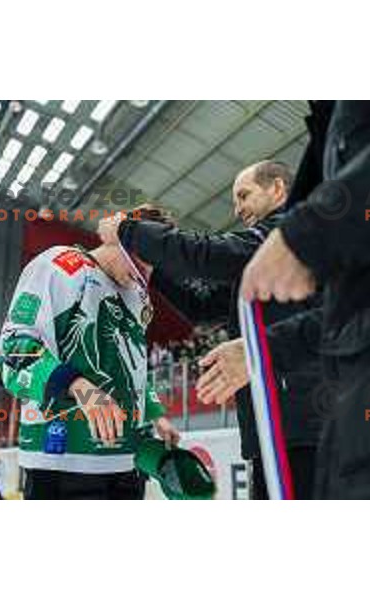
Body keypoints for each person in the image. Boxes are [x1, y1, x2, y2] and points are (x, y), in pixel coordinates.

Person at [98, 162, 324, 499]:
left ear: (277, 189)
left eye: (244, 195)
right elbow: (201, 306)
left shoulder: (289, 232)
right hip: (276, 426)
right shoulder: (259, 263)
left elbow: (209, 254)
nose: (237, 208)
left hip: (302, 426)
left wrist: (128, 231)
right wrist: (153, 270)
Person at [241, 101, 370, 499]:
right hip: (365, 416)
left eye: (244, 195)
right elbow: (355, 306)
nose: (237, 208)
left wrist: (310, 233)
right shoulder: (334, 123)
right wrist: (262, 349)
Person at [0, 236, 180, 500]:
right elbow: (14, 348)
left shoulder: (137, 292)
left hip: (128, 460)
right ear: (118, 238)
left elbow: (133, 365)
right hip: (61, 457)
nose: (145, 275)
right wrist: (79, 386)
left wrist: (154, 414)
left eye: (155, 265)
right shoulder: (59, 264)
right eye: (143, 260)